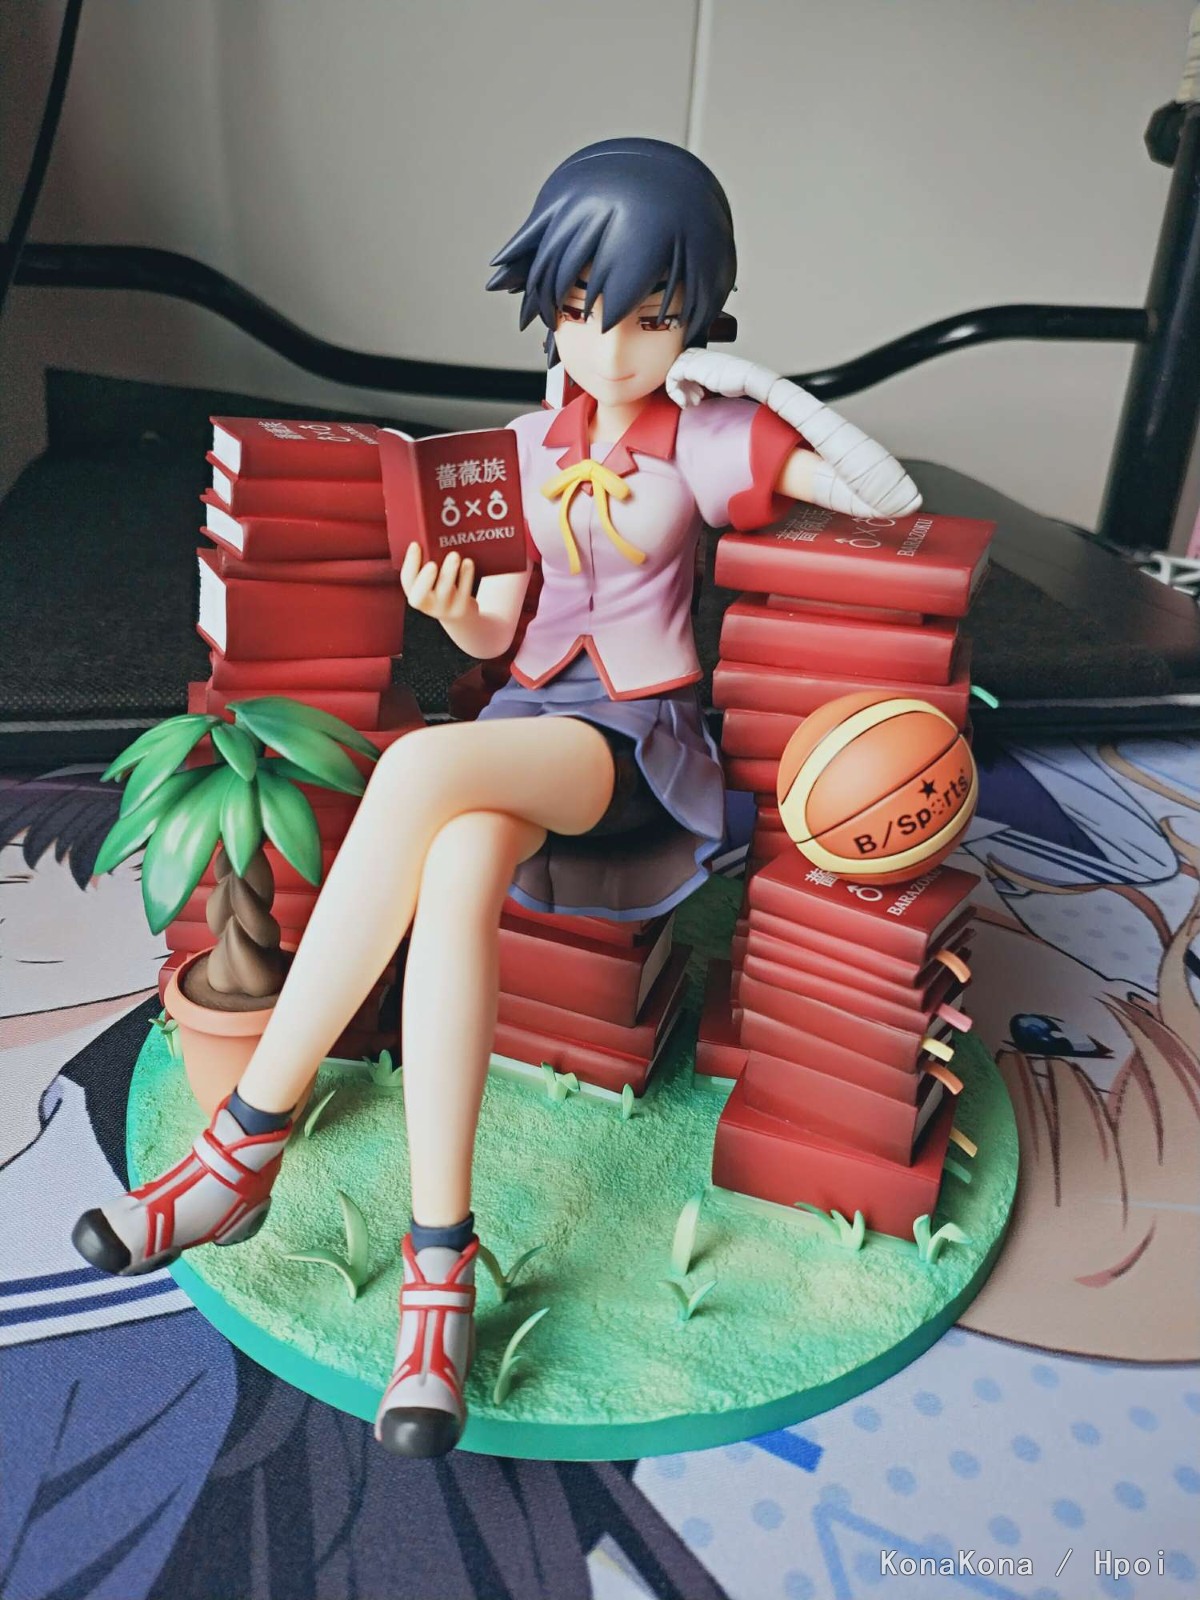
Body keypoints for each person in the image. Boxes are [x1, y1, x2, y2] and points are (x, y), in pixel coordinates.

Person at [72, 137, 921, 1458]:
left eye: (653, 316)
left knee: (421, 768)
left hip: (632, 745)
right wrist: (452, 611)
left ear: (696, 313)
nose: (613, 347)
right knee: (459, 858)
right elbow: (497, 636)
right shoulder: (522, 448)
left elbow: (888, 495)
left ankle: (243, 1146)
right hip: (520, 726)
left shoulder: (709, 437)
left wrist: (748, 381)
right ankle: (439, 1267)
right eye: (584, 310)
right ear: (547, 307)